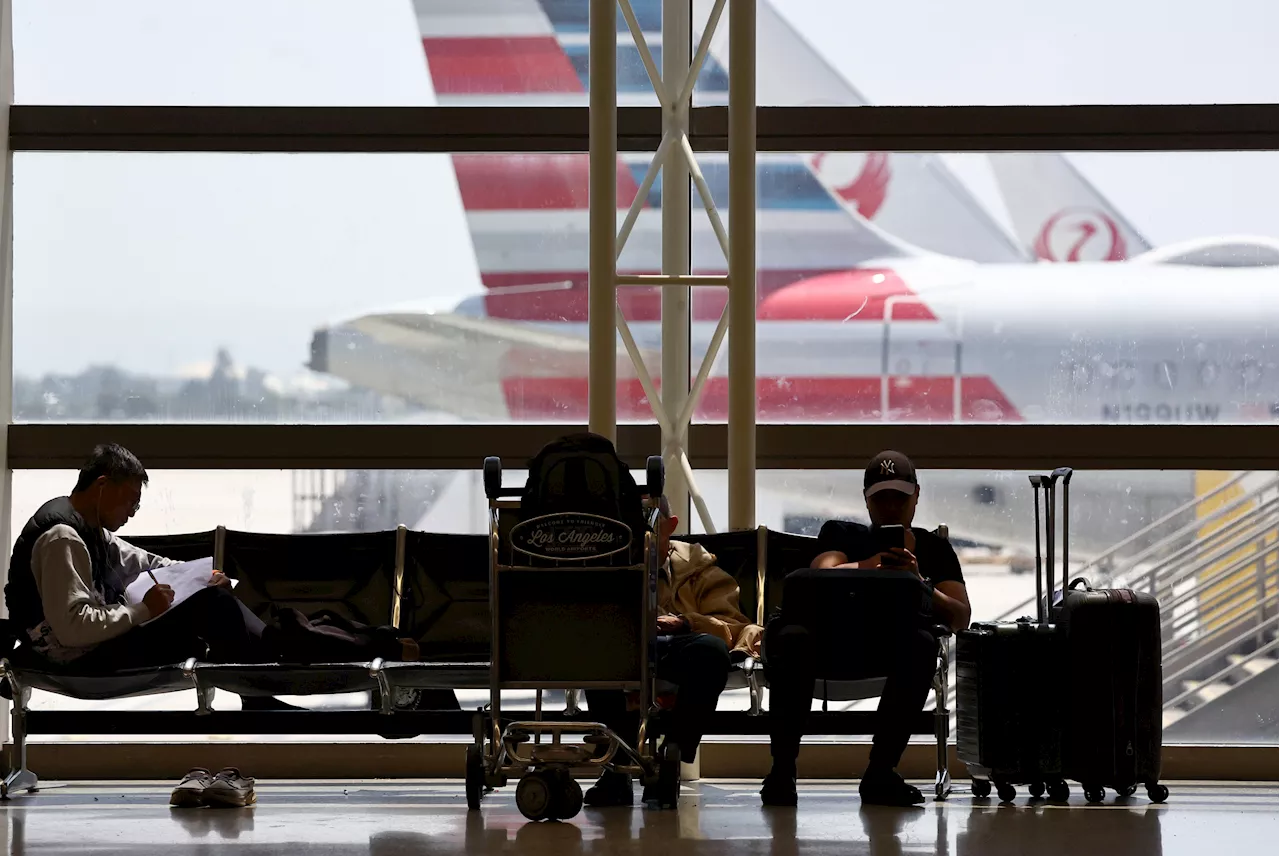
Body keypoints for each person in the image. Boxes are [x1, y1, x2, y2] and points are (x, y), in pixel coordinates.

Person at [4, 443, 290, 710]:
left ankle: (267, 669)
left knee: (212, 601)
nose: (132, 513)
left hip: (94, 648)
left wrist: (204, 575)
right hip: (79, 661)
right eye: (131, 501)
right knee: (215, 607)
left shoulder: (91, 531)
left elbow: (146, 562)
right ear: (102, 485)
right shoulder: (62, 539)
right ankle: (275, 663)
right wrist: (143, 610)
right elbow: (72, 628)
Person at [760, 451, 971, 807]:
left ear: (916, 496)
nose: (891, 506)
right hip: (830, 643)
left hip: (891, 648)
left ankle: (880, 771)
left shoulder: (935, 548)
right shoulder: (841, 533)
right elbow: (822, 572)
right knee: (792, 639)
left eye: (899, 497)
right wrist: (873, 566)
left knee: (921, 644)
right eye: (881, 497)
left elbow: (960, 616)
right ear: (867, 500)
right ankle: (782, 770)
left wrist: (916, 581)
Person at [584, 495, 763, 808]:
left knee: (711, 651)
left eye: (651, 527)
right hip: (622, 645)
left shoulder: (699, 567)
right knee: (595, 647)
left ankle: (672, 754)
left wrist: (684, 622)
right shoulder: (608, 562)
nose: (644, 538)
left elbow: (733, 626)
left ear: (672, 525)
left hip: (680, 645)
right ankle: (617, 766)